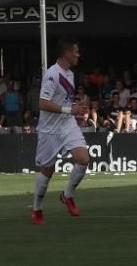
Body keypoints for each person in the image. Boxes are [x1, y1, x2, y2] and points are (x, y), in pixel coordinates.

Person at [32, 38, 90, 225]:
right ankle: (37, 208)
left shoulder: (70, 74)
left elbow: (63, 101)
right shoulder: (52, 75)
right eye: (76, 51)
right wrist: (69, 110)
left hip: (67, 124)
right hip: (49, 129)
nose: (78, 54)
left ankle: (68, 195)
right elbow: (42, 103)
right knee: (47, 171)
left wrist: (76, 107)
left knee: (83, 159)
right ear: (67, 53)